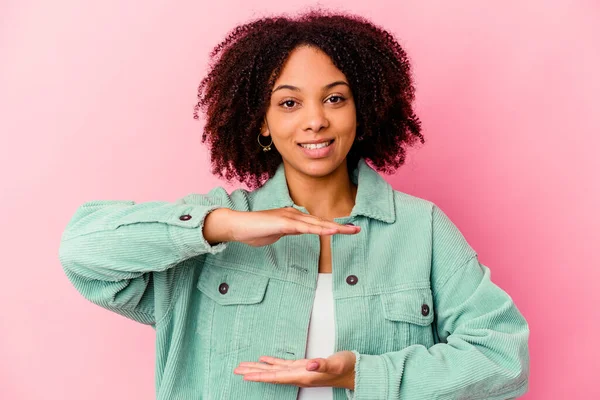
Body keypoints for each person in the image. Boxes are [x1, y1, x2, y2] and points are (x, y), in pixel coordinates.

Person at [58, 8, 530, 400]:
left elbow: (503, 359)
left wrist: (358, 374)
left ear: (360, 110)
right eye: (289, 103)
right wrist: (224, 226)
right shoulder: (212, 231)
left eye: (335, 98)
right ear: (260, 122)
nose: (315, 120)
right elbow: (81, 251)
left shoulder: (421, 229)